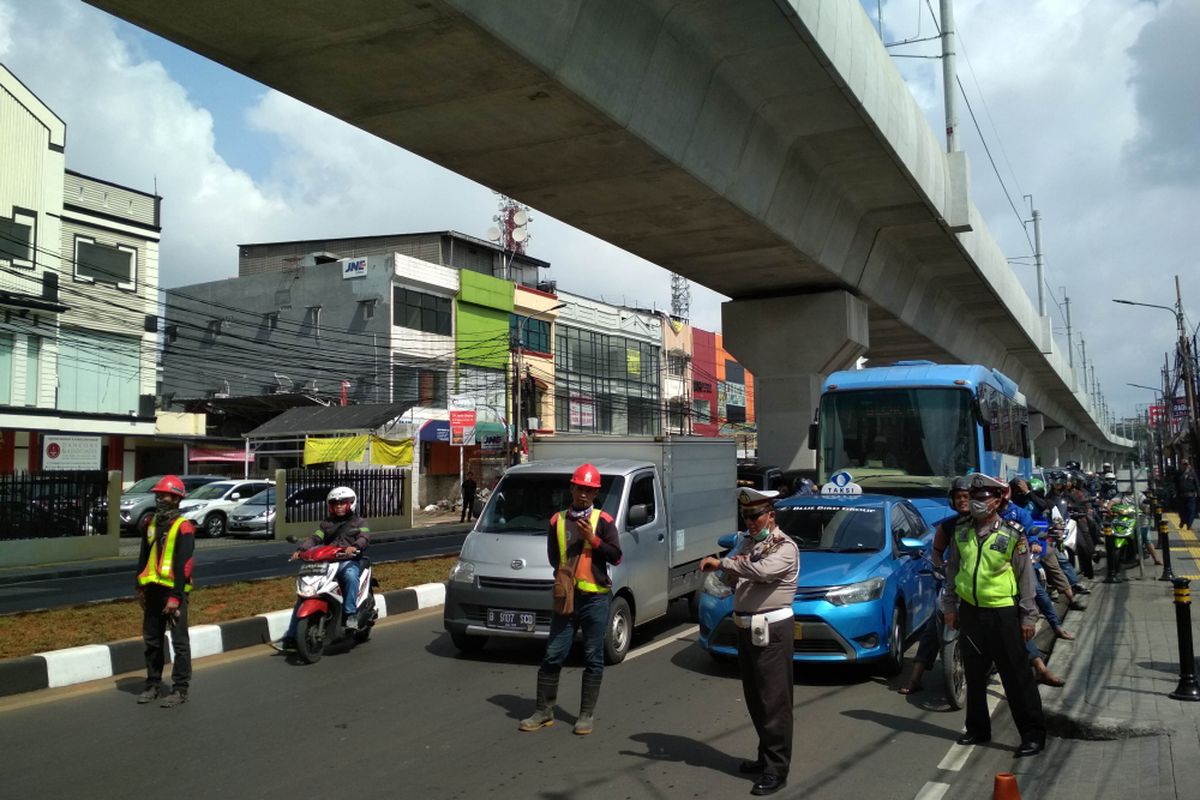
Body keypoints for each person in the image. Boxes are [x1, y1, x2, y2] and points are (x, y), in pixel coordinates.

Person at [699, 487, 799, 796]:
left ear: (771, 515)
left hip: (772, 629)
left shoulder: (785, 546)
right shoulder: (746, 542)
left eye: (755, 515)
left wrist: (725, 565)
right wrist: (727, 572)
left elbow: (762, 572)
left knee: (774, 701)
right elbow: (734, 576)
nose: (751, 522)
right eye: (746, 516)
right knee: (756, 698)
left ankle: (777, 769)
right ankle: (764, 757)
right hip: (746, 627)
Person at [942, 473, 1046, 758]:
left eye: (982, 498)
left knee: (1016, 676)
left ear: (997, 501)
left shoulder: (1012, 533)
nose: (975, 502)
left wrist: (1028, 617)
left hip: (1003, 613)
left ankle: (1032, 734)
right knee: (974, 674)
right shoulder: (961, 530)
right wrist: (950, 607)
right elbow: (953, 570)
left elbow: (1026, 578)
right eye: (973, 497)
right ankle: (977, 728)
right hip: (970, 612)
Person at [519, 463, 622, 736]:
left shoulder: (605, 521)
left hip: (596, 600)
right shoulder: (557, 521)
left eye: (589, 490)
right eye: (579, 488)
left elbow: (617, 556)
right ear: (571, 488)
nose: (584, 494)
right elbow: (555, 558)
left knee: (592, 656)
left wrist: (593, 540)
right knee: (554, 653)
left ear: (596, 492)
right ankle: (543, 710)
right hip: (567, 599)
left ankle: (585, 714)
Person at [276, 487, 369, 649]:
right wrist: (301, 550)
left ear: (351, 504)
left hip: (347, 559)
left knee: (349, 575)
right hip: (327, 562)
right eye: (335, 504)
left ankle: (350, 615)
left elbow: (364, 537)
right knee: (305, 594)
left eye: (342, 503)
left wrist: (355, 546)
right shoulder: (326, 523)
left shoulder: (359, 522)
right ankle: (291, 636)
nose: (339, 506)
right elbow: (315, 538)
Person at [134, 475, 196, 708]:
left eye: (165, 495)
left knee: (179, 643)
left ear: (177, 499)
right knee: (152, 640)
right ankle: (153, 685)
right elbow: (143, 557)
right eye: (158, 494)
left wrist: (175, 597)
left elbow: (184, 566)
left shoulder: (184, 527)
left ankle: (180, 689)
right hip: (151, 591)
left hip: (173, 593)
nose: (160, 498)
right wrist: (139, 586)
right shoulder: (150, 523)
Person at [1178, 459, 1198, 531]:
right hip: (1181, 495)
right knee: (1182, 511)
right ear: (1181, 465)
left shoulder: (1192, 473)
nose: (1185, 466)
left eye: (1186, 464)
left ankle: (1189, 525)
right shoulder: (1178, 473)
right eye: (1184, 464)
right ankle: (1183, 521)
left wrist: (1198, 493)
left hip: (1191, 495)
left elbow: (1196, 483)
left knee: (1191, 510)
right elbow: (1175, 484)